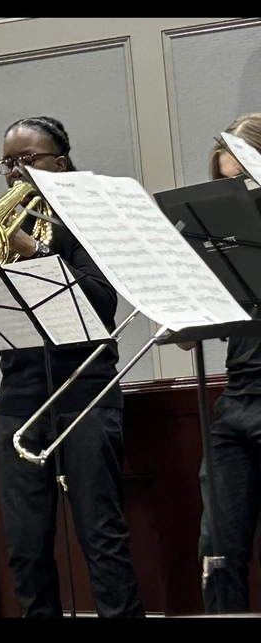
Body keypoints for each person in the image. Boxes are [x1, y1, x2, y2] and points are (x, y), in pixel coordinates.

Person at [0, 116, 145, 617]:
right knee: (25, 545)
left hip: (84, 392)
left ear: (60, 162)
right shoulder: (3, 224)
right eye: (8, 162)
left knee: (100, 534)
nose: (15, 172)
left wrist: (34, 253)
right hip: (20, 395)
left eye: (27, 159)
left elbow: (102, 303)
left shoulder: (91, 219)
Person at [194, 112, 261, 614]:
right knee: (217, 550)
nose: (232, 191)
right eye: (224, 182)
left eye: (242, 178)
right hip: (235, 398)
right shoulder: (226, 242)